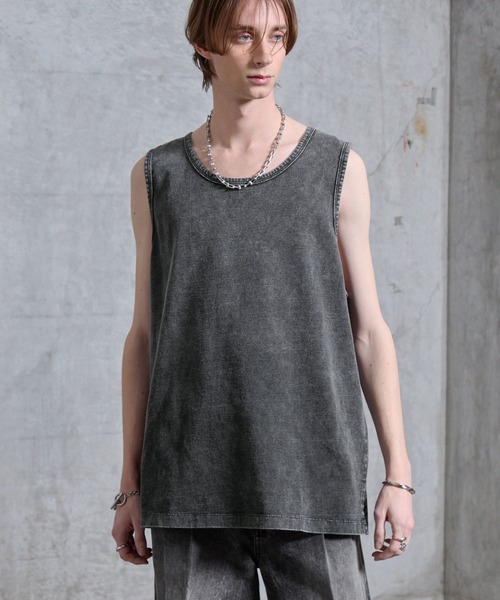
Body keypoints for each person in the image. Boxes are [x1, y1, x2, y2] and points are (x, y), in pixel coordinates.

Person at [111, 0, 415, 598]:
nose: (263, 54)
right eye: (243, 35)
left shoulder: (337, 168)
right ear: (204, 44)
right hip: (190, 487)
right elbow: (145, 336)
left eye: (277, 36)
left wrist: (398, 475)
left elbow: (369, 331)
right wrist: (130, 481)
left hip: (314, 481)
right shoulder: (157, 177)